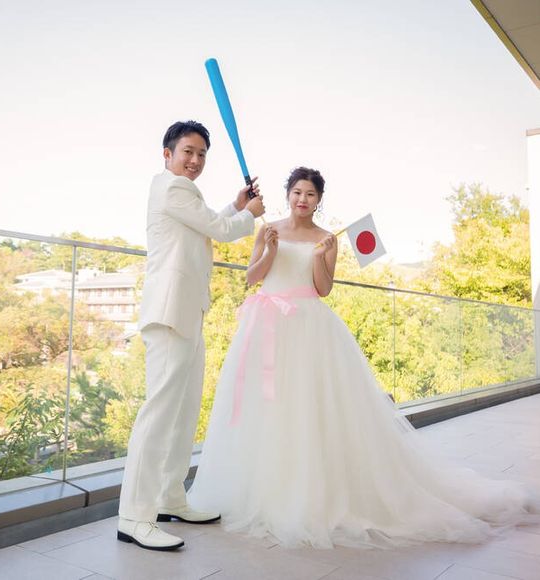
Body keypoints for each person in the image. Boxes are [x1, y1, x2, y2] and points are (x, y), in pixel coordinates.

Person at [187, 166, 540, 549]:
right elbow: (251, 278)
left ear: (319, 201)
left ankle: (308, 493)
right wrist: (270, 249)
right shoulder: (268, 229)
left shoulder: (326, 238)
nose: (302, 199)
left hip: (308, 327)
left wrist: (322, 257)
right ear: (287, 194)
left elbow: (323, 289)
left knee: (307, 407)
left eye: (310, 194)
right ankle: (265, 489)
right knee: (268, 408)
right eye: (297, 192)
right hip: (267, 327)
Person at [117, 120, 265, 551]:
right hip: (169, 314)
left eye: (201, 154)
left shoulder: (181, 193)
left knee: (182, 413)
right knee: (159, 415)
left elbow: (206, 223)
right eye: (188, 151)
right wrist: (250, 214)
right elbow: (221, 230)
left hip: (187, 312)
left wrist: (236, 205)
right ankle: (134, 517)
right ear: (167, 154)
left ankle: (170, 497)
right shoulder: (172, 187)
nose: (195, 160)